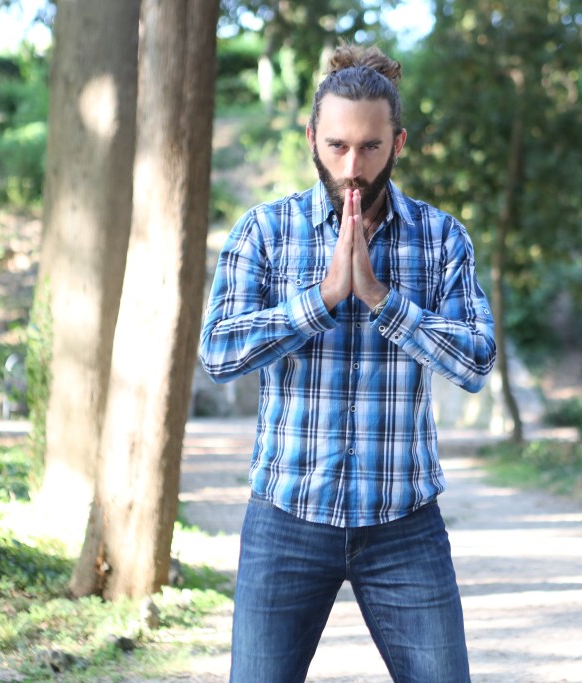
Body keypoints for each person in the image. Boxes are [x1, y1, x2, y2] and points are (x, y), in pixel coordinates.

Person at [199, 43, 496, 683]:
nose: (352, 167)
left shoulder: (442, 238)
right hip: (286, 516)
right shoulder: (263, 232)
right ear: (312, 138)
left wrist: (383, 301)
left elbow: (476, 362)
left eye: (370, 147)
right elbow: (218, 352)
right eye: (336, 146)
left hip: (403, 523)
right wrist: (324, 299)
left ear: (398, 144)